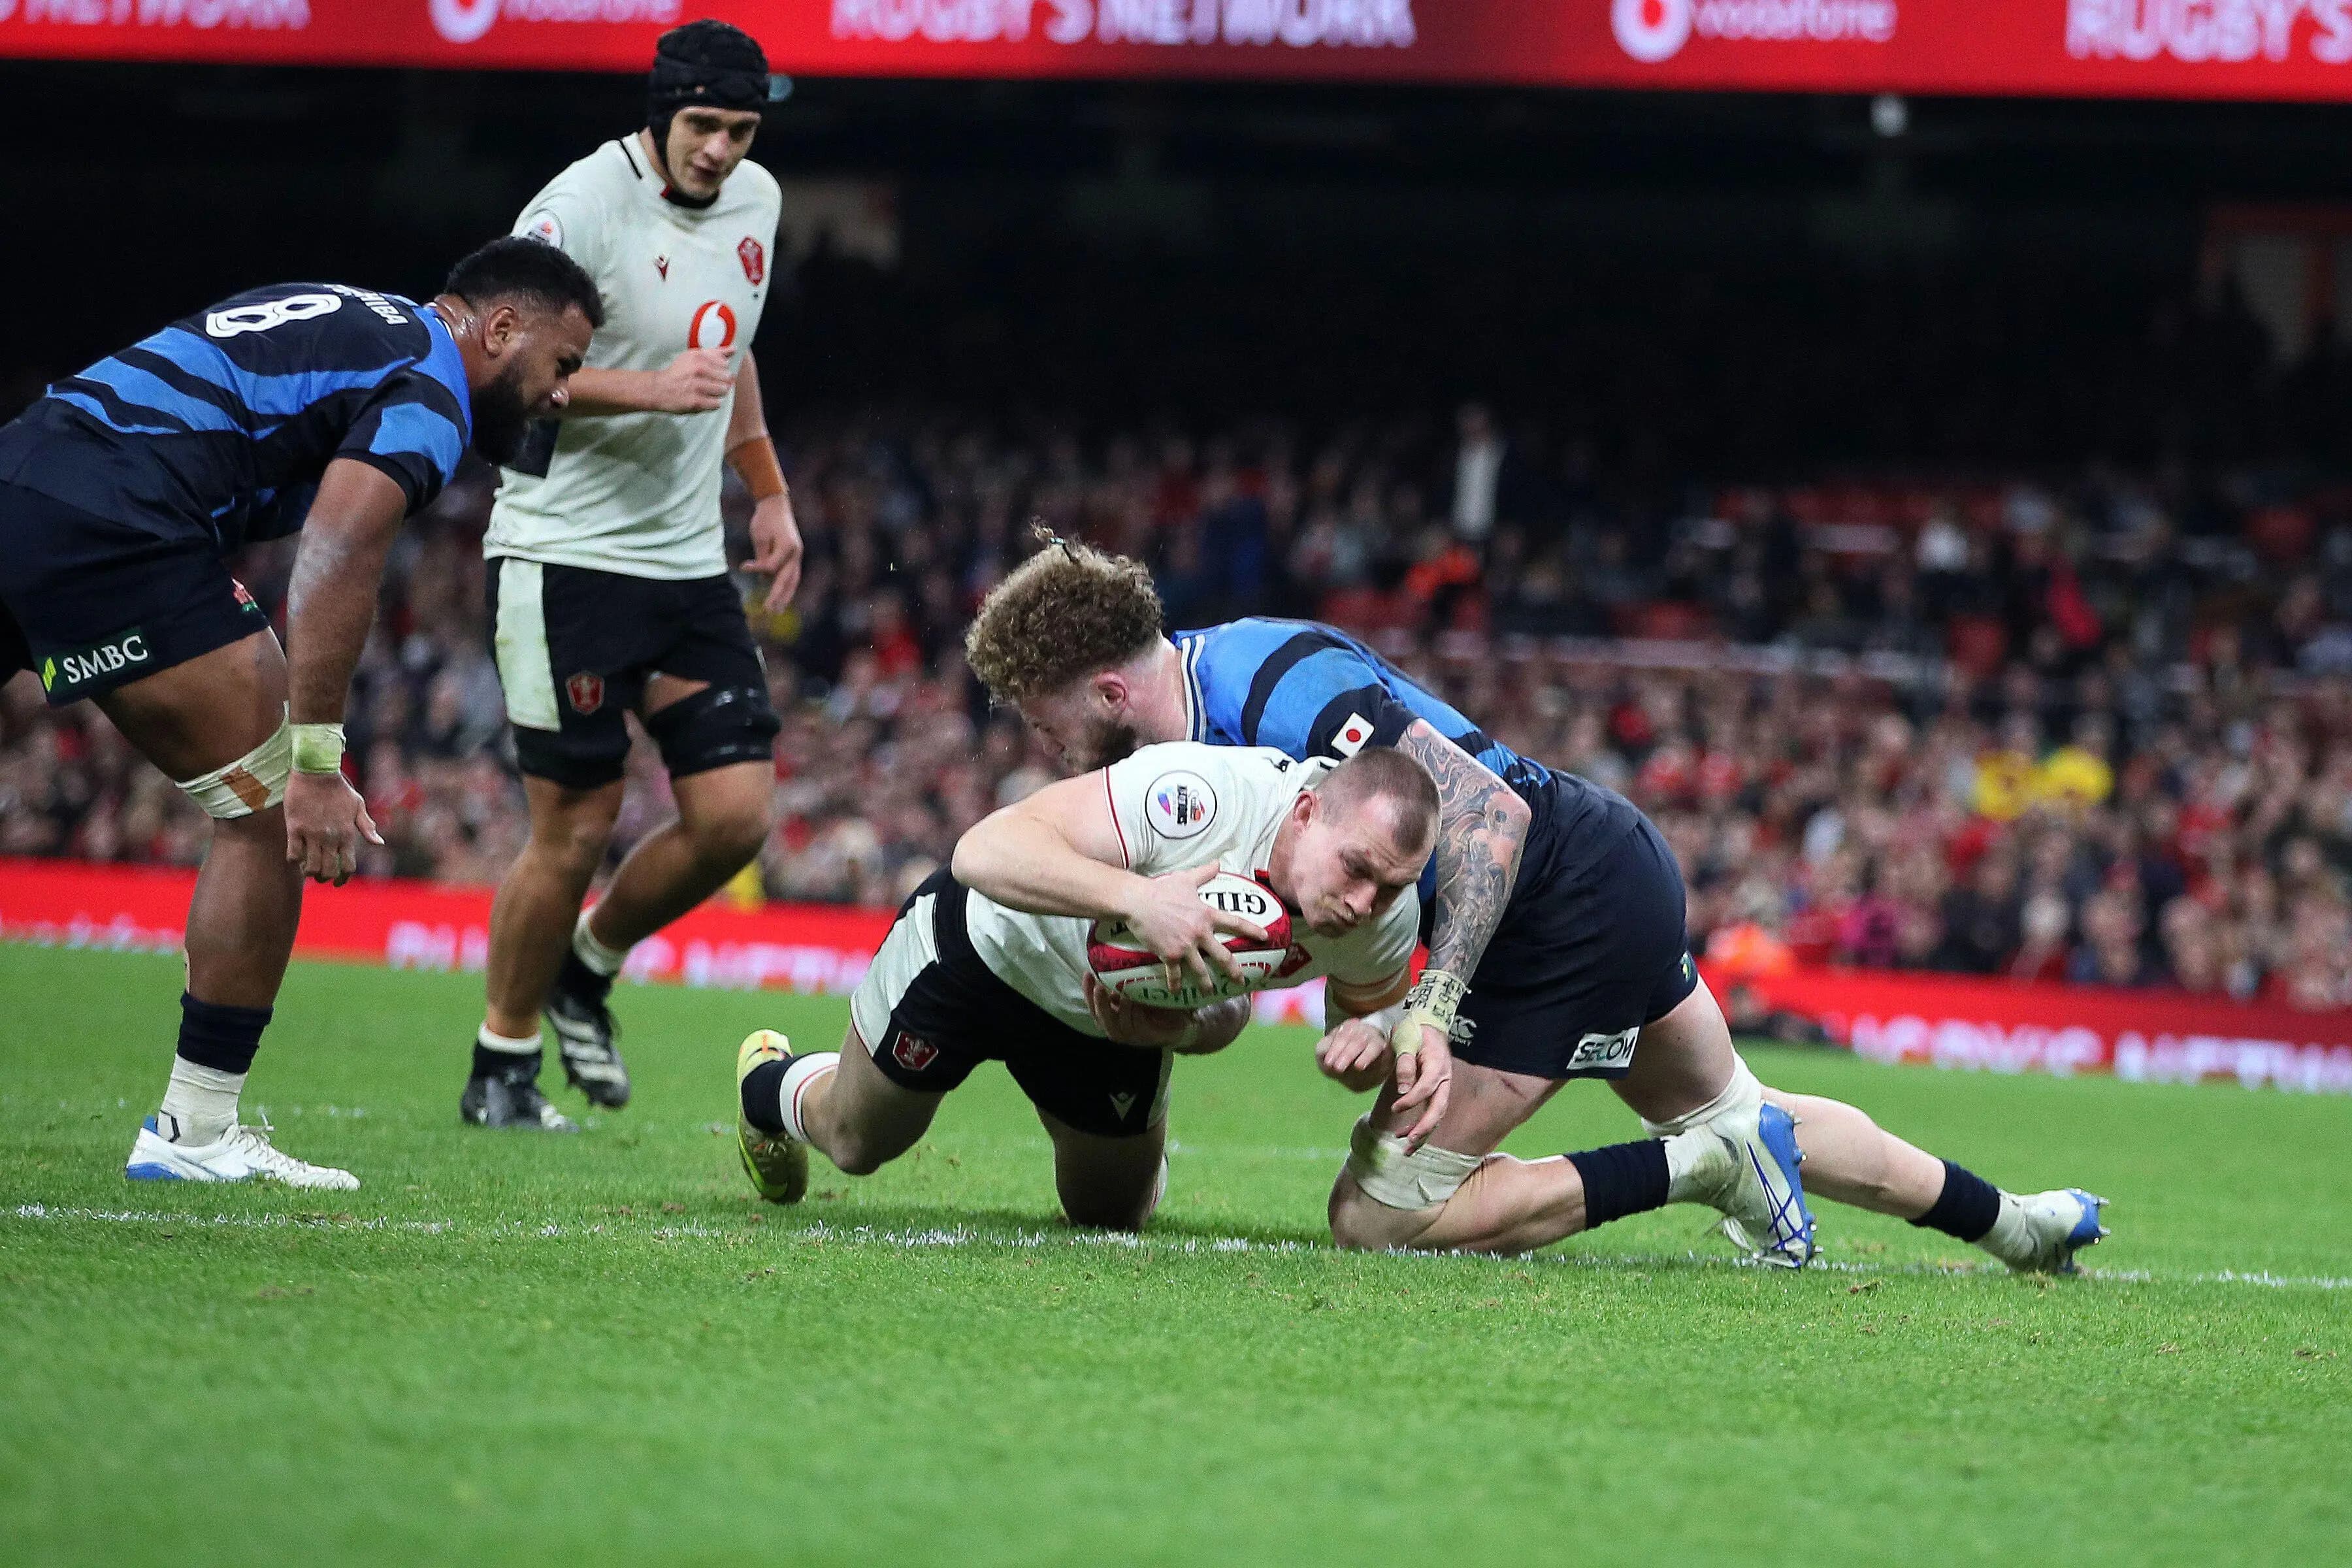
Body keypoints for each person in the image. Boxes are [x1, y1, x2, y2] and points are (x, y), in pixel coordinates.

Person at [960, 537, 2111, 1273]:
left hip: (1558, 897)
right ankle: (2015, 1224)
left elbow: (1486, 823)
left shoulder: (1271, 681)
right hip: (1596, 877)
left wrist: (1429, 1005)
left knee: (1381, 1220)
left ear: (1105, 688)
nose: (1046, 746)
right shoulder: (1197, 755)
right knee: (1742, 1104)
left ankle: (1700, 1170)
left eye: (1039, 716)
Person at [0, 239, 599, 1188]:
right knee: (270, 799)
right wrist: (317, 762)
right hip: (118, 514)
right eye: (563, 365)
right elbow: (341, 542)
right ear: (500, 328)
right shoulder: (432, 388)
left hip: (29, 464)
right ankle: (195, 1130)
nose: (565, 392)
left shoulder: (363, 314)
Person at [463, 19, 804, 1132]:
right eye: (702, 125)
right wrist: (648, 390)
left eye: (739, 129)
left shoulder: (759, 203)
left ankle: (586, 968)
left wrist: (769, 490)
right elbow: (500, 362)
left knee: (736, 817)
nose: (718, 149)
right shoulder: (578, 209)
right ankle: (500, 1066)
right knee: (574, 824)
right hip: (564, 554)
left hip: (685, 563)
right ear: (660, 114)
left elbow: (733, 346)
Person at [732, 745, 1433, 1230]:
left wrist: (1185, 1031)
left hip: (1109, 1019)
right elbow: (983, 850)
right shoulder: (1199, 797)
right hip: (988, 949)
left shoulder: (1382, 920)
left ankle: (1125, 1152)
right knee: (856, 1145)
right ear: (1307, 814)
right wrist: (1139, 899)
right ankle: (767, 1083)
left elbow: (1333, 1033)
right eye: (1356, 869)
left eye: (1392, 887)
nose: (1365, 903)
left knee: (1111, 1219)